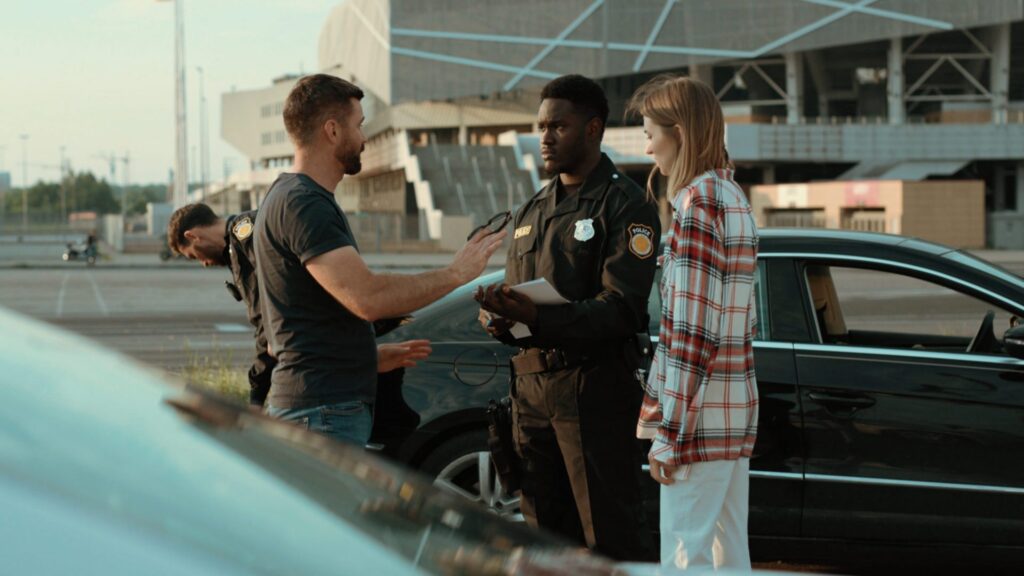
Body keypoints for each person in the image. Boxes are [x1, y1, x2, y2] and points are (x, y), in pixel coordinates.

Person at [254, 74, 505, 447]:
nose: (364, 138)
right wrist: (456, 274)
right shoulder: (303, 204)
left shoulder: (292, 196)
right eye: (359, 125)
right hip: (320, 412)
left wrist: (364, 358)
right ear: (333, 131)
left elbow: (306, 319)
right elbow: (368, 298)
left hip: (320, 406)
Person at [475, 74, 659, 561]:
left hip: (592, 394)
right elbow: (521, 304)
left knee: (605, 544)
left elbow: (622, 309)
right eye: (541, 126)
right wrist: (501, 320)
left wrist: (537, 315)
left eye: (559, 125)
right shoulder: (530, 211)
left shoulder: (627, 205)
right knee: (542, 546)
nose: (546, 137)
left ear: (593, 128)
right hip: (530, 395)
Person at [629, 74, 759, 571]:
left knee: (684, 558)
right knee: (729, 557)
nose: (647, 149)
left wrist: (672, 433)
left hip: (699, 418)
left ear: (678, 132)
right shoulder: (732, 198)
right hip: (731, 408)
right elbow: (734, 323)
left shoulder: (697, 203)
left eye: (649, 134)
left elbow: (692, 332)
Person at [167, 202, 432, 408]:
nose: (203, 263)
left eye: (193, 256)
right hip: (348, 346)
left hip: (321, 378)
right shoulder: (255, 222)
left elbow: (266, 323)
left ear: (194, 236)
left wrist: (257, 394)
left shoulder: (242, 243)